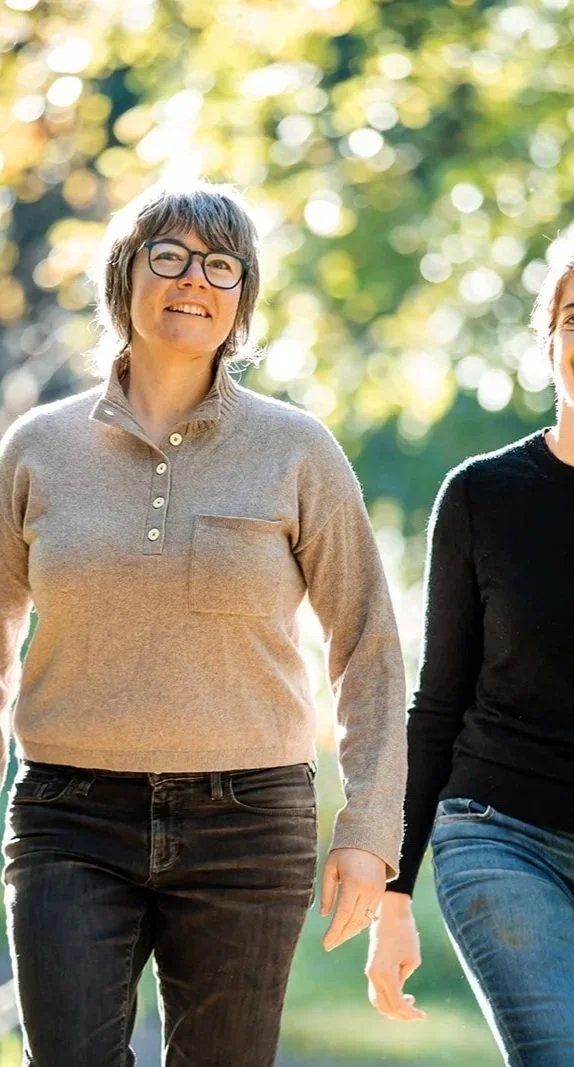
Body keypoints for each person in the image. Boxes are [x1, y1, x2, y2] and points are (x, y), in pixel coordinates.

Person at [0, 178, 406, 1067]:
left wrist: (370, 827)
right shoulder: (36, 448)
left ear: (241, 299)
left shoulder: (296, 449)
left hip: (248, 821)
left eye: (221, 265)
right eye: (170, 256)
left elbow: (367, 642)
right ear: (125, 276)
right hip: (69, 815)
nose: (195, 279)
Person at [367, 228, 574, 1067]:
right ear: (548, 343)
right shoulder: (480, 495)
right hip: (501, 834)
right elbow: (437, 701)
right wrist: (393, 891)